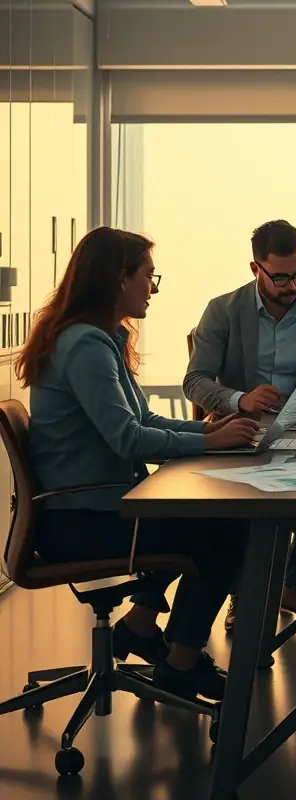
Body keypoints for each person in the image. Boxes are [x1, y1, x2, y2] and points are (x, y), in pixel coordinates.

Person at [18, 227, 261, 703]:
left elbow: (144, 419)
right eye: (149, 276)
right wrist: (212, 445)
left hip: (91, 509)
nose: (152, 286)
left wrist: (210, 432)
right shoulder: (85, 347)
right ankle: (180, 663)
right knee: (229, 530)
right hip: (82, 522)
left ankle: (140, 626)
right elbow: (129, 439)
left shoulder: (98, 337)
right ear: (118, 278)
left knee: (209, 522)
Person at [184, 219, 296, 633]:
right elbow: (194, 381)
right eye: (282, 277)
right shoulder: (223, 310)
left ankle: (294, 583)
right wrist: (240, 399)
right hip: (241, 428)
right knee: (246, 506)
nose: (293, 285)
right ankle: (244, 593)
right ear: (256, 269)